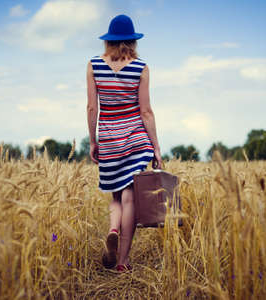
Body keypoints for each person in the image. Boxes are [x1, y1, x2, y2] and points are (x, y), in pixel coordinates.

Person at [86, 14, 162, 272]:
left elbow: (91, 108)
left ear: (108, 40)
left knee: (116, 196)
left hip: (109, 139)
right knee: (131, 198)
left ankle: (113, 228)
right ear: (132, 40)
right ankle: (122, 261)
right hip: (136, 140)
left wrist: (92, 141)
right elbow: (146, 112)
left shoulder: (94, 65)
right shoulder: (141, 68)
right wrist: (157, 148)